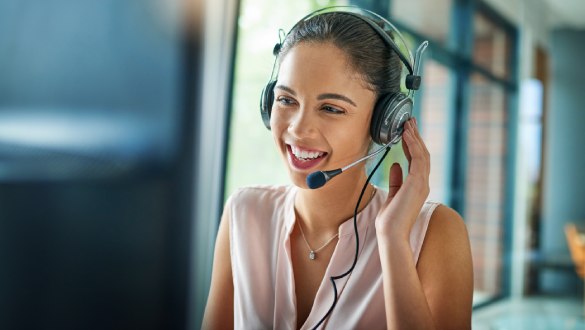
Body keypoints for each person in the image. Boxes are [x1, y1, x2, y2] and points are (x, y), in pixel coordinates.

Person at [203, 7, 473, 330]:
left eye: (331, 108)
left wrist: (393, 240)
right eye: (286, 100)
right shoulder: (244, 213)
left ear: (385, 123)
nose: (299, 129)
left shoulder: (437, 233)